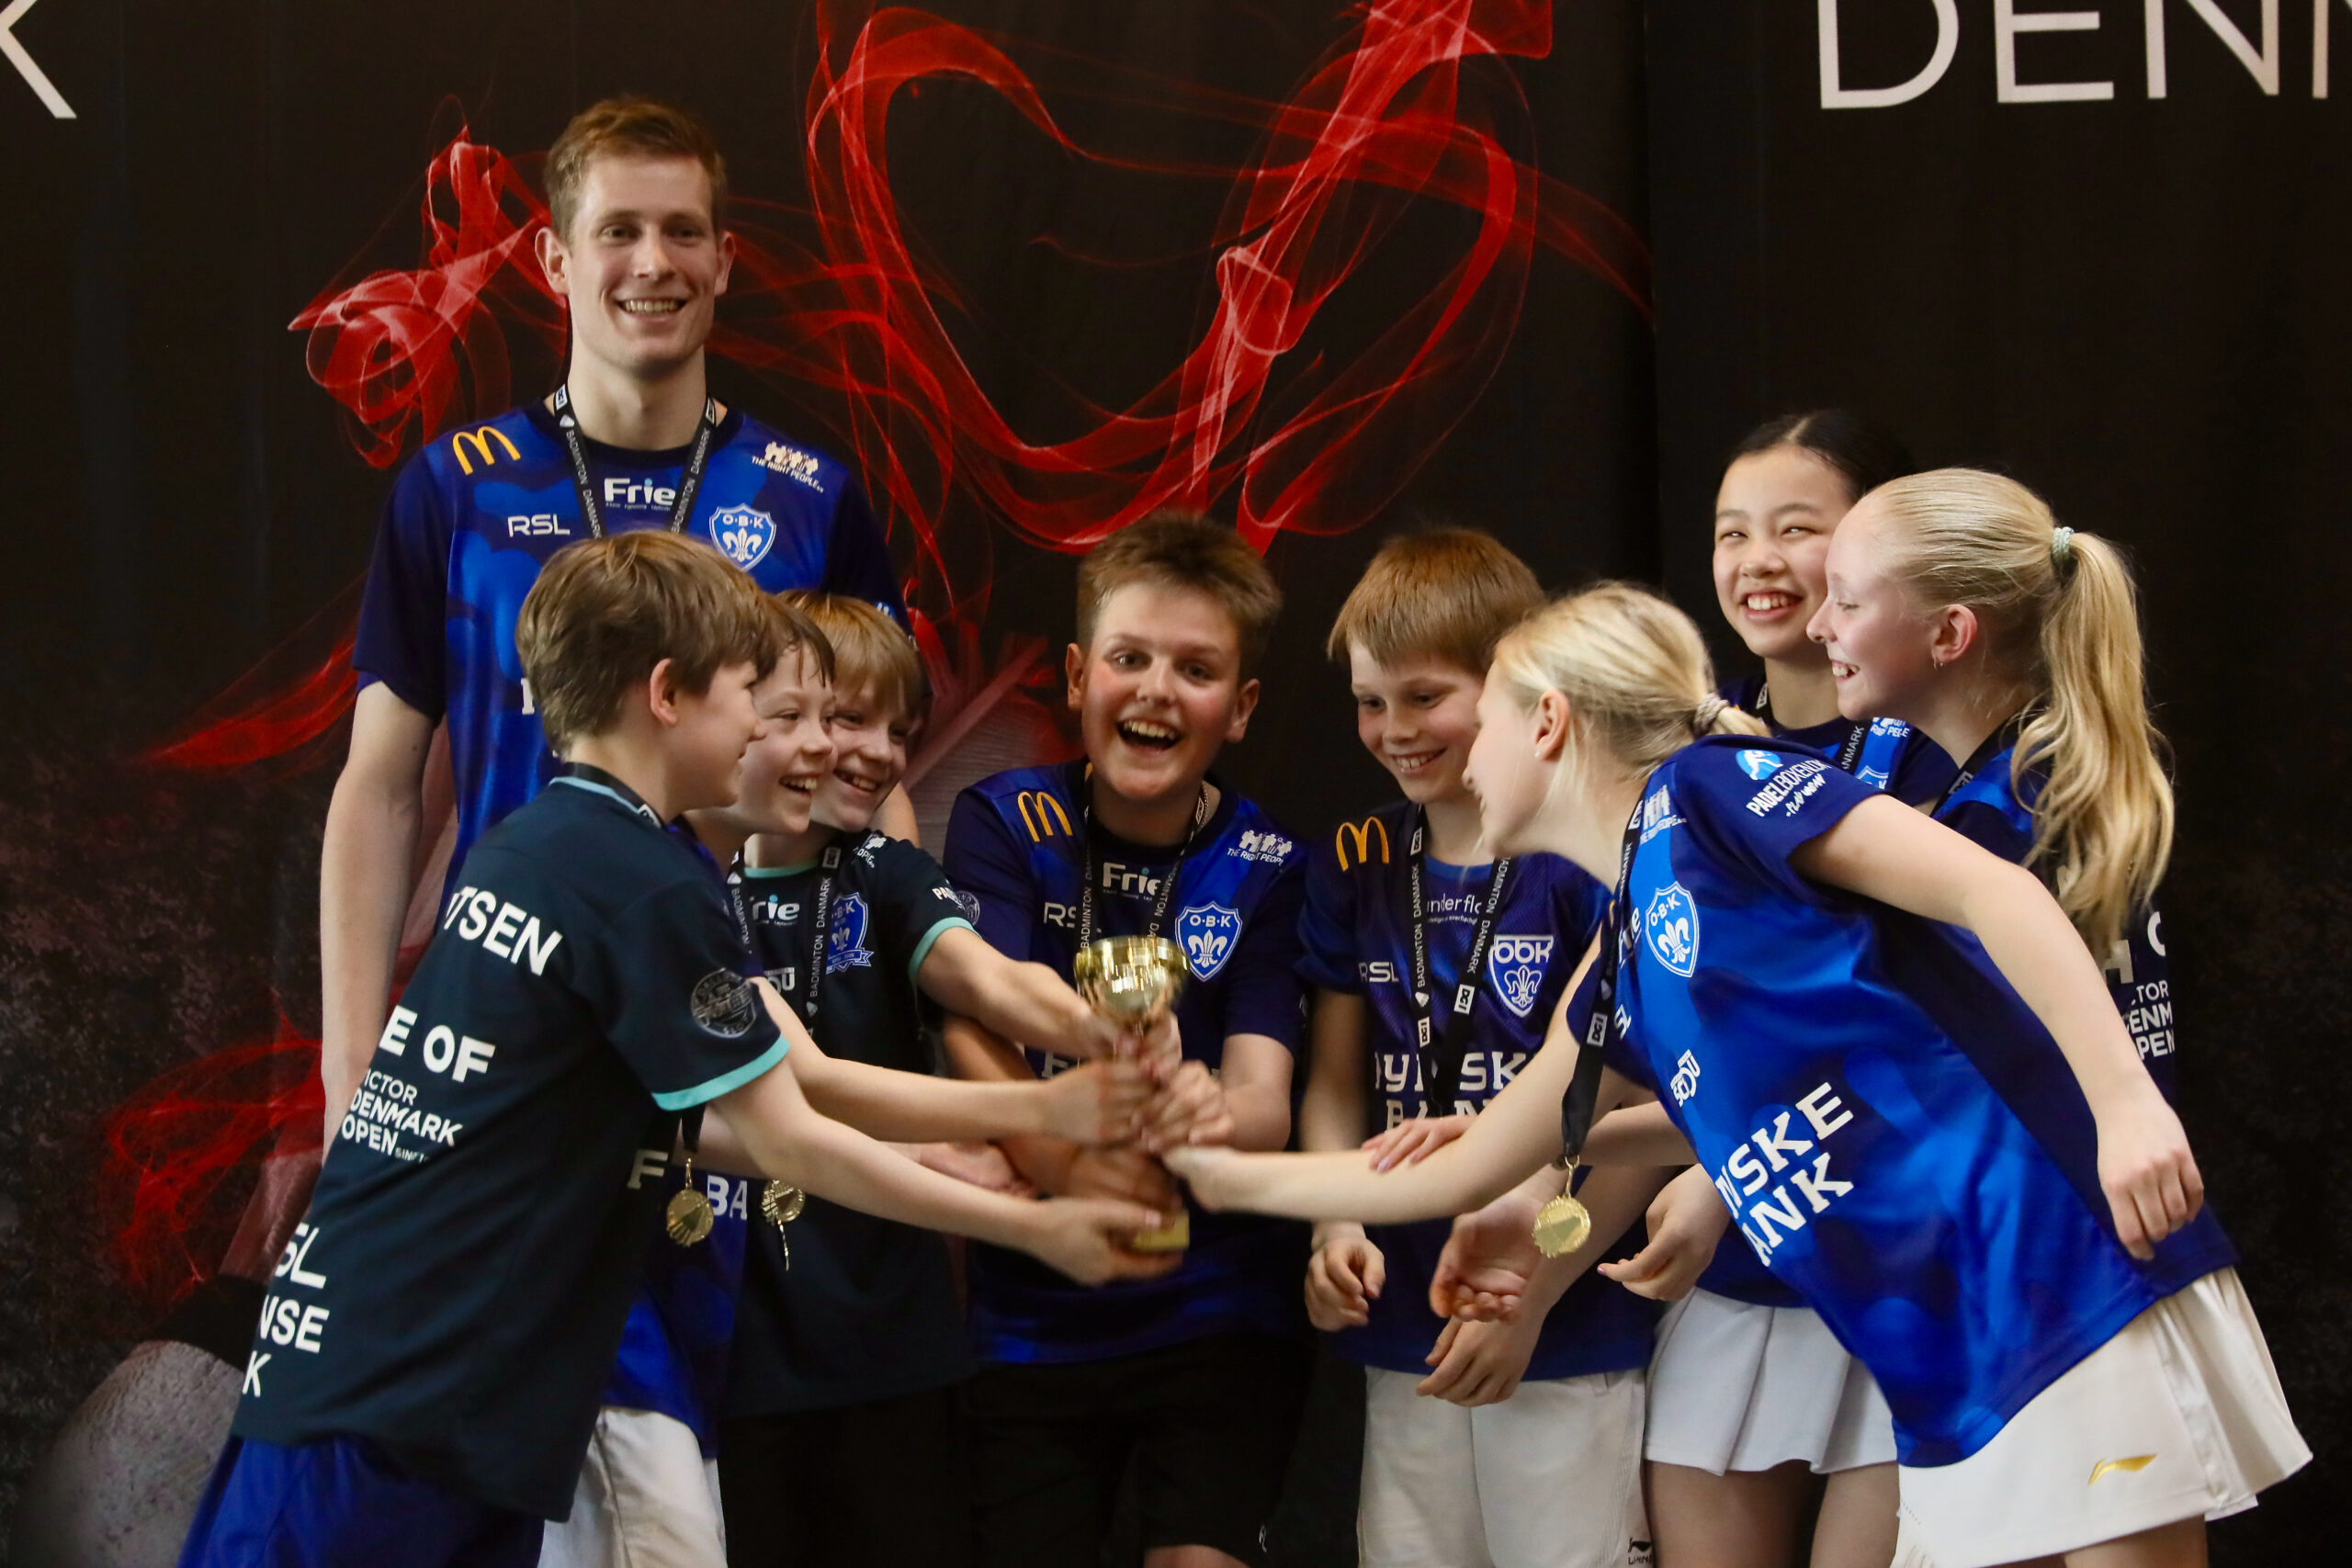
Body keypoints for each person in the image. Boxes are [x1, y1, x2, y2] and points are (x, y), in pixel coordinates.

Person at [1168, 581, 2306, 1568]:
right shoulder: (1624, 937)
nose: (1460, 757)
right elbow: (1469, 1168)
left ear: (1549, 722)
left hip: (2049, 1260)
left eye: (1484, 724)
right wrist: (1216, 1176)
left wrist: (2123, 1102)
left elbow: (1989, 888)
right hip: (1944, 1336)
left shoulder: (1709, 793)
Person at [178, 533, 1175, 1568]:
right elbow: (789, 1134)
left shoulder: (547, 843)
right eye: (756, 696)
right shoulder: (639, 881)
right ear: (666, 694)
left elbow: (740, 1110)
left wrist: (1040, 1109)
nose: (779, 732)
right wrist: (1037, 1223)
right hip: (401, 1397)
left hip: (405, 1379)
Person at [322, 93, 905, 1145]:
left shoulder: (811, 497)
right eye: (618, 231)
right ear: (554, 260)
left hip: (756, 1035)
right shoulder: (456, 488)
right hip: (516, 1028)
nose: (652, 263)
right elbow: (382, 788)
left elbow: (874, 776)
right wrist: (350, 1072)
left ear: (724, 261)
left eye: (682, 231)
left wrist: (905, 1004)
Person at [1806, 468, 2308, 1559]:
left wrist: (2123, 1106)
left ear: (1949, 634)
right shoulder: (1951, 788)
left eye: (1844, 598)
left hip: (2085, 1266)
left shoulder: (2012, 815)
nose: (1816, 626)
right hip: (2004, 1279)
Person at [718, 594, 1203, 1567]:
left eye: (899, 731)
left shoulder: (886, 872)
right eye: (844, 719)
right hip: (734, 1342)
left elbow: (989, 978)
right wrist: (999, 1124)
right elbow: (794, 1091)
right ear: (757, 719)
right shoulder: (685, 890)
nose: (876, 754)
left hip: (891, 1342)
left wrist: (1102, 1028)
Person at [941, 511, 1311, 1568]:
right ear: (1076, 675)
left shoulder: (1271, 863)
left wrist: (1207, 1117)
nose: (1155, 691)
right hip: (1035, 1304)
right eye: (1129, 658)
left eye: (1195, 670)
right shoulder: (1002, 820)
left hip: (1219, 1302)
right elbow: (973, 1021)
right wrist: (1064, 1168)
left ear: (1239, 707)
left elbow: (1264, 1102)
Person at [1297, 530, 1663, 1568]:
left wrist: (1535, 1291)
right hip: (1407, 1313)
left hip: (1567, 1317)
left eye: (1425, 697)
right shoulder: (1358, 857)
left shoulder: (1587, 860)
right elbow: (1335, 1082)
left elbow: (1639, 1109)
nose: (1394, 730)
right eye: (1371, 701)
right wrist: (1334, 1221)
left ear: (1521, 690)